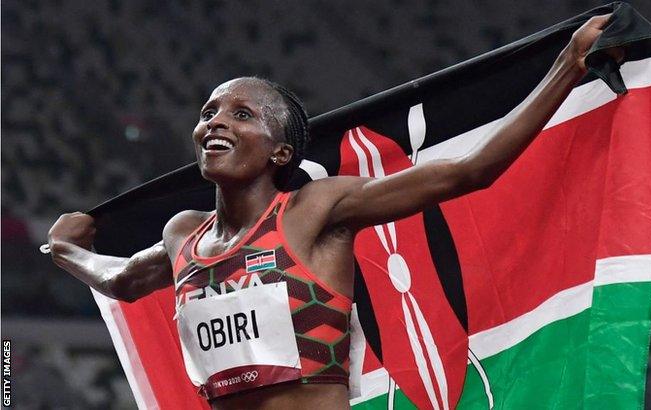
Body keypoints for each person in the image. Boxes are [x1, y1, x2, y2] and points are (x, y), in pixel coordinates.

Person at [48, 15, 619, 410]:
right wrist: (68, 249)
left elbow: (471, 171)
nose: (215, 122)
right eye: (209, 112)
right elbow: (121, 280)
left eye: (241, 114)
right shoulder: (182, 236)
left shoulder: (315, 209)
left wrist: (568, 66)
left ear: (281, 151)